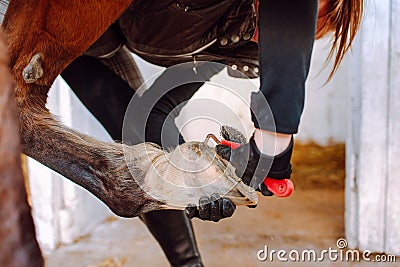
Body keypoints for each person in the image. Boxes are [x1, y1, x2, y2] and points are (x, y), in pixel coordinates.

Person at [61, 0, 363, 266]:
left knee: (136, 138)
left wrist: (192, 182)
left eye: (310, 29)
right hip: (62, 12)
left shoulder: (242, 47)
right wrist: (275, 145)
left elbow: (151, 117)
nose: (283, 35)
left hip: (77, 44)